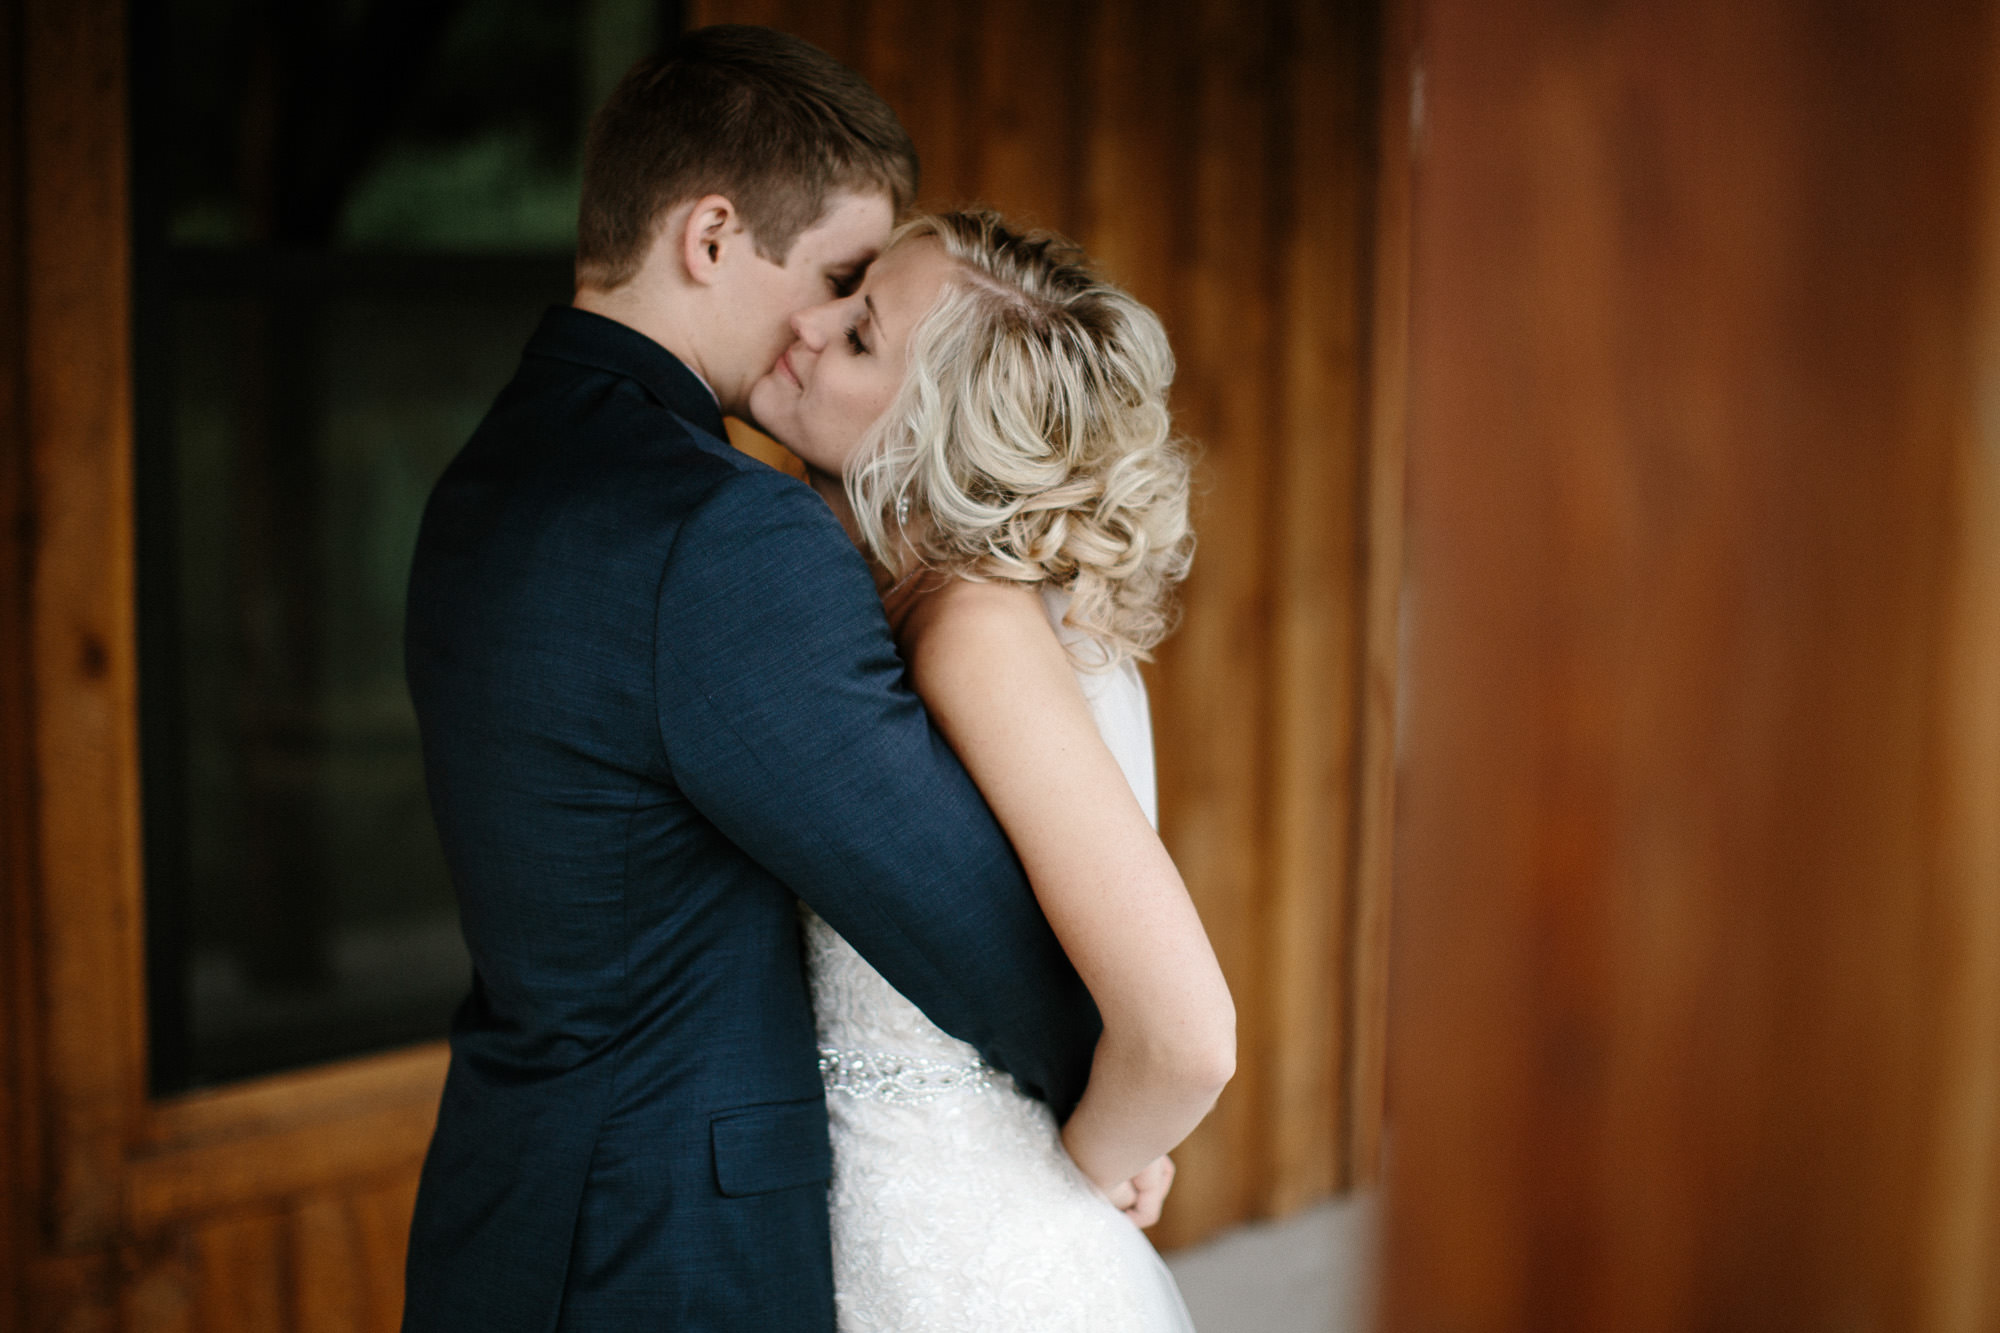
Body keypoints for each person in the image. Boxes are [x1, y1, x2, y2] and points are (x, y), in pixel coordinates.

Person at [399, 30, 1101, 1332]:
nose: (837, 323)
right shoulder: (718, 530)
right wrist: (1121, 1105)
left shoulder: (483, 478)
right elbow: (964, 923)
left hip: (500, 1206)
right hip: (668, 1249)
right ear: (711, 235)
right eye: (841, 274)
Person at [746, 209, 1236, 1331]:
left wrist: (1090, 1159)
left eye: (860, 334)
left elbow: (1187, 1036)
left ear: (930, 441)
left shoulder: (974, 630)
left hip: (968, 1268)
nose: (807, 324)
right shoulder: (934, 609)